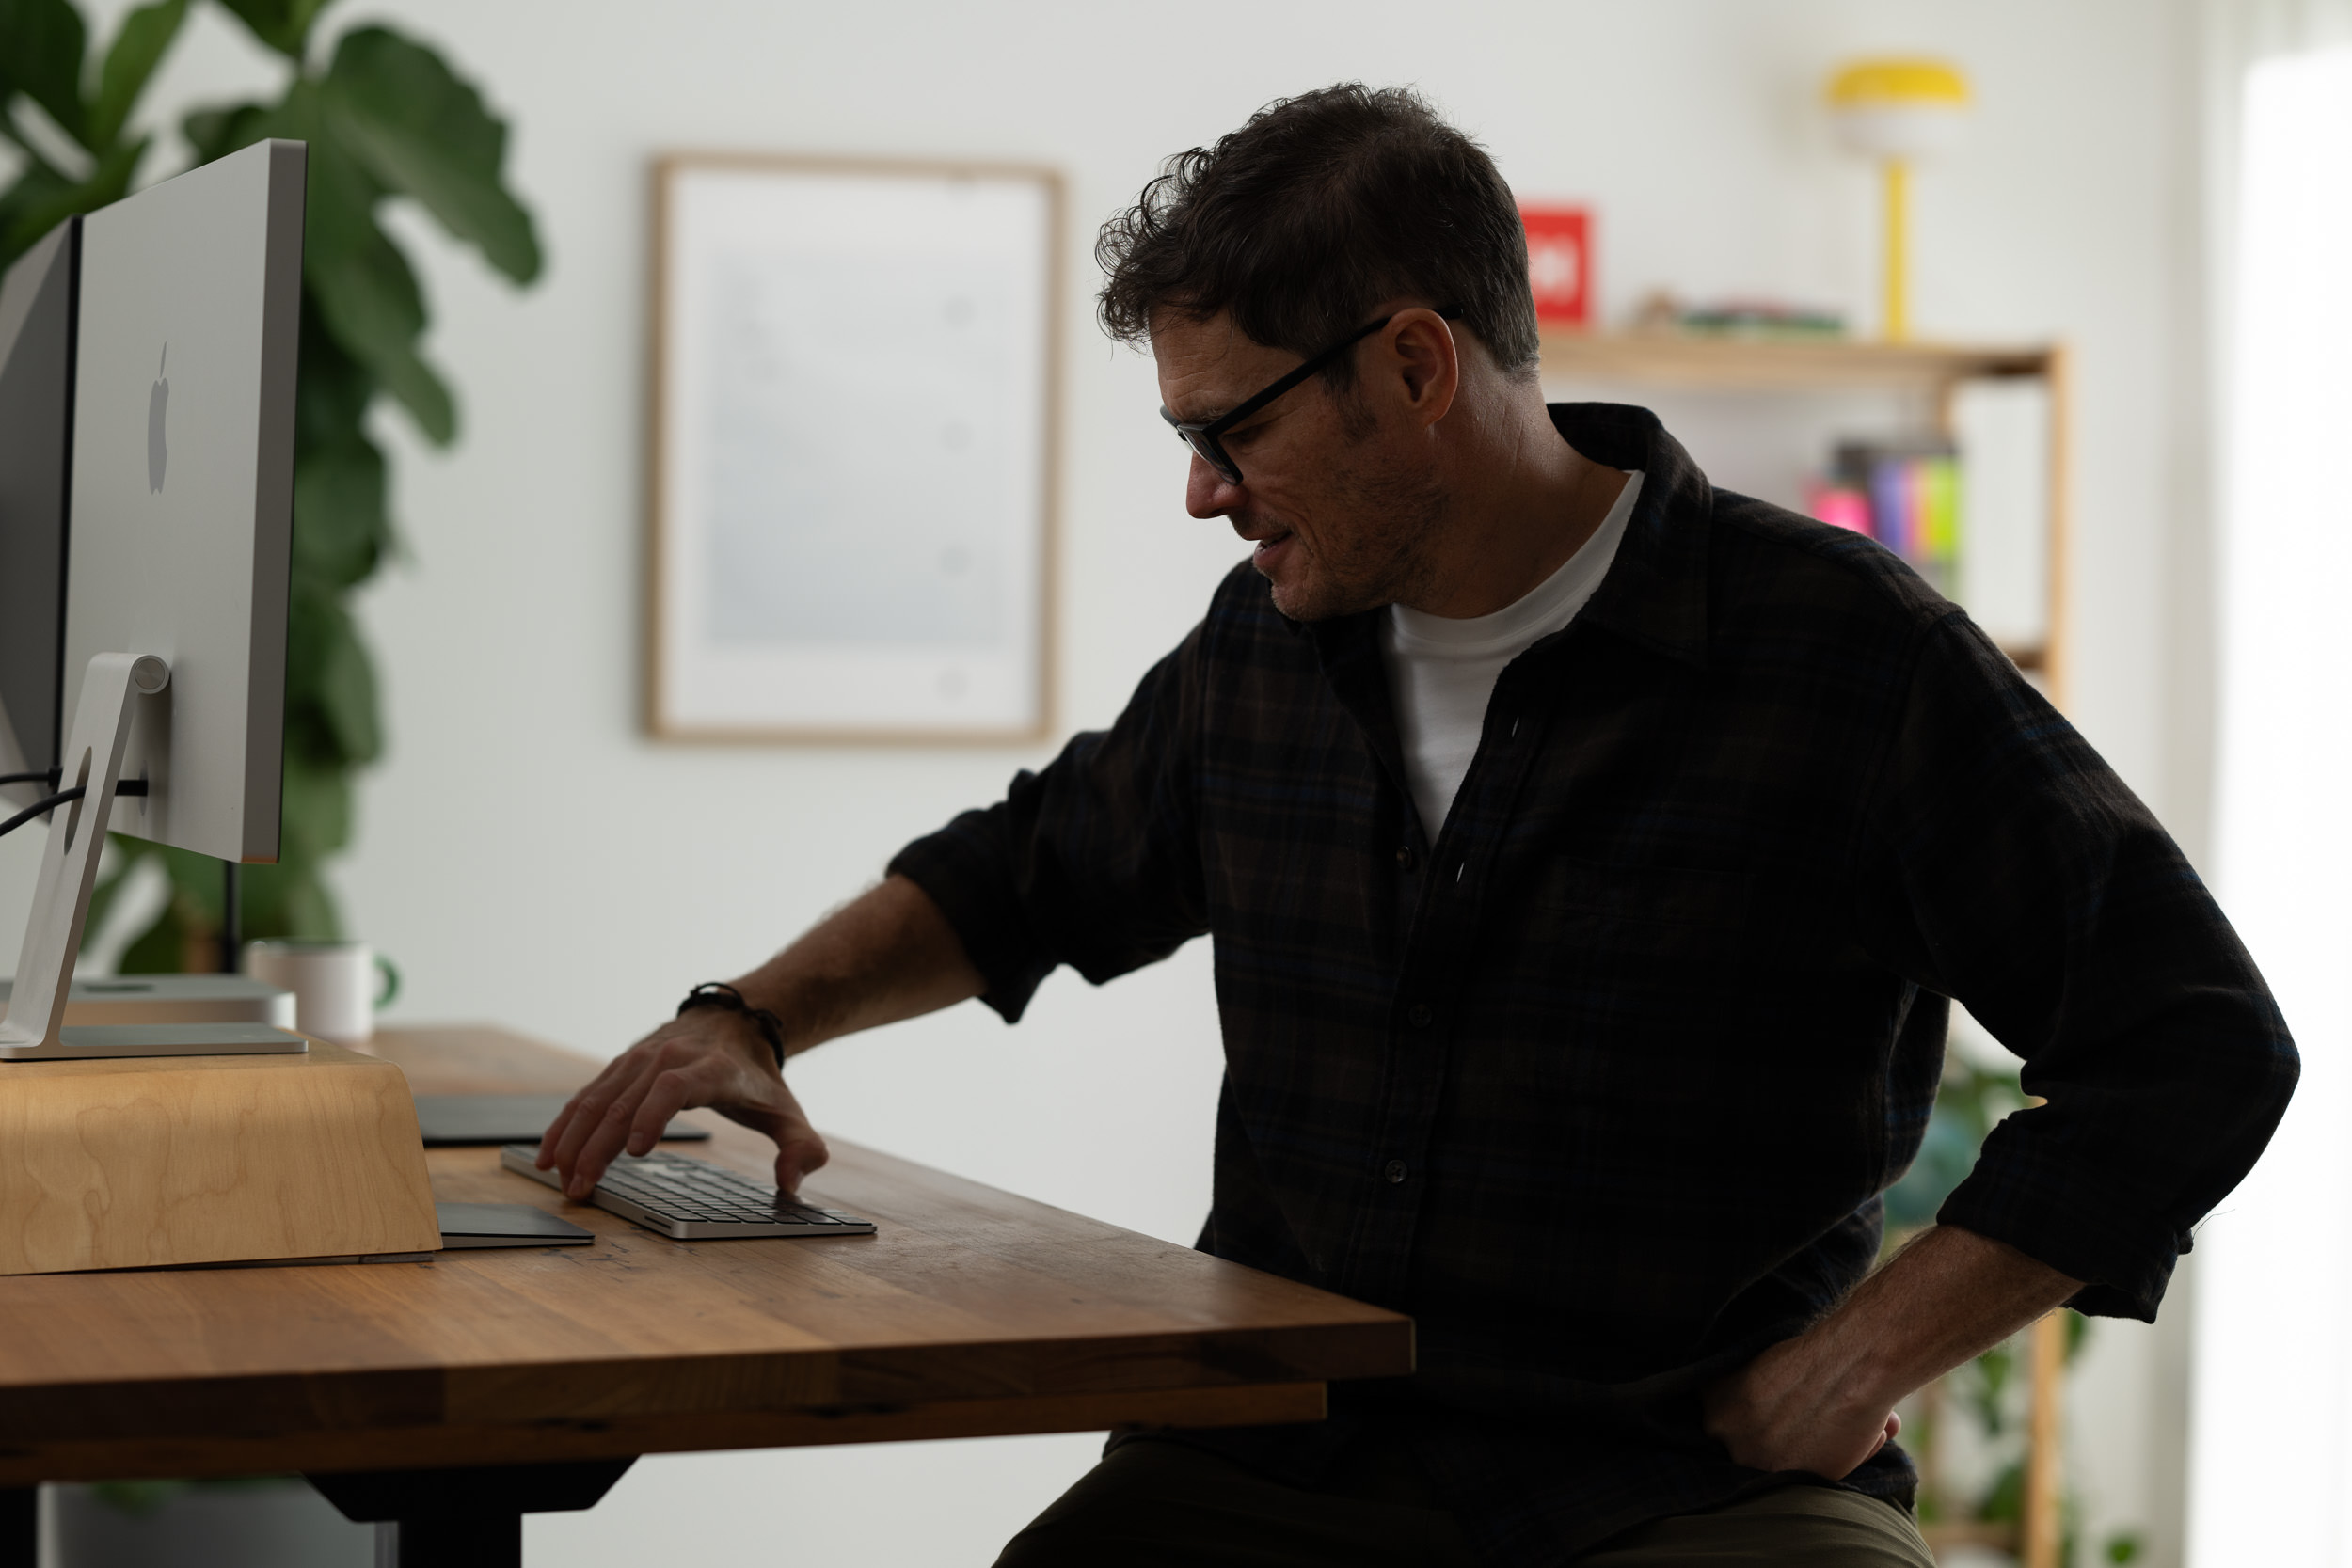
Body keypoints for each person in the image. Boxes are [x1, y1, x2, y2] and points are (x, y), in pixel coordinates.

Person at [539, 85, 2296, 1567]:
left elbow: (2193, 1045)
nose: (1201, 491)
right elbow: (1024, 872)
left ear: (1414, 366)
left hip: (1688, 1496)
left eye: (1231, 429)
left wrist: (1861, 1359)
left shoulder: (1850, 657)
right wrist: (746, 1020)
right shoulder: (1261, 651)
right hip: (1265, 1464)